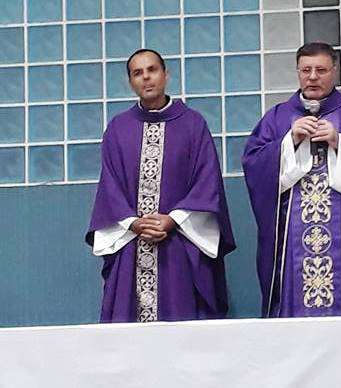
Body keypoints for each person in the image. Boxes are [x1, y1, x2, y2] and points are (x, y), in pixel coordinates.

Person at [243, 42, 341, 318]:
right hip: (293, 237)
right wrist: (288, 141)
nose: (313, 76)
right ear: (298, 72)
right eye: (306, 70)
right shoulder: (277, 118)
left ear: (334, 72)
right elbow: (253, 163)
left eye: (321, 70)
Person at [86, 49, 235, 323]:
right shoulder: (118, 128)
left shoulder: (193, 124)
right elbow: (109, 186)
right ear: (131, 82)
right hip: (132, 245)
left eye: (152, 70)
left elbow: (207, 181)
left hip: (178, 244)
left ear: (166, 75)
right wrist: (133, 222)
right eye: (137, 73)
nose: (146, 78)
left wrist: (172, 220)